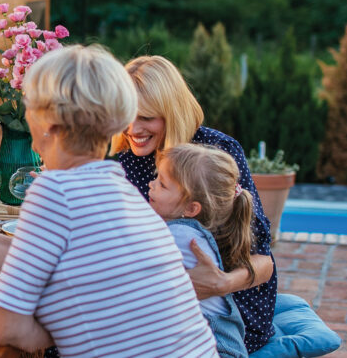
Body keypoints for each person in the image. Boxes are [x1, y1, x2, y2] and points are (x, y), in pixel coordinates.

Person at [0, 45, 217, 357]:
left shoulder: (55, 189)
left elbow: (7, 329)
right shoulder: (123, 188)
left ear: (45, 121)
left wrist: (64, 326)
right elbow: (28, 258)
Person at [112, 55, 276, 352]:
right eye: (127, 116)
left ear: (171, 111)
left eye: (147, 118)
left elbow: (264, 262)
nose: (133, 129)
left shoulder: (216, 153)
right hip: (158, 302)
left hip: (225, 313)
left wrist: (219, 283)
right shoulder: (121, 163)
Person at [149, 144, 252, 358]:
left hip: (216, 346)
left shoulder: (181, 236)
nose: (151, 185)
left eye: (162, 184)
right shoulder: (186, 230)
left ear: (191, 209)